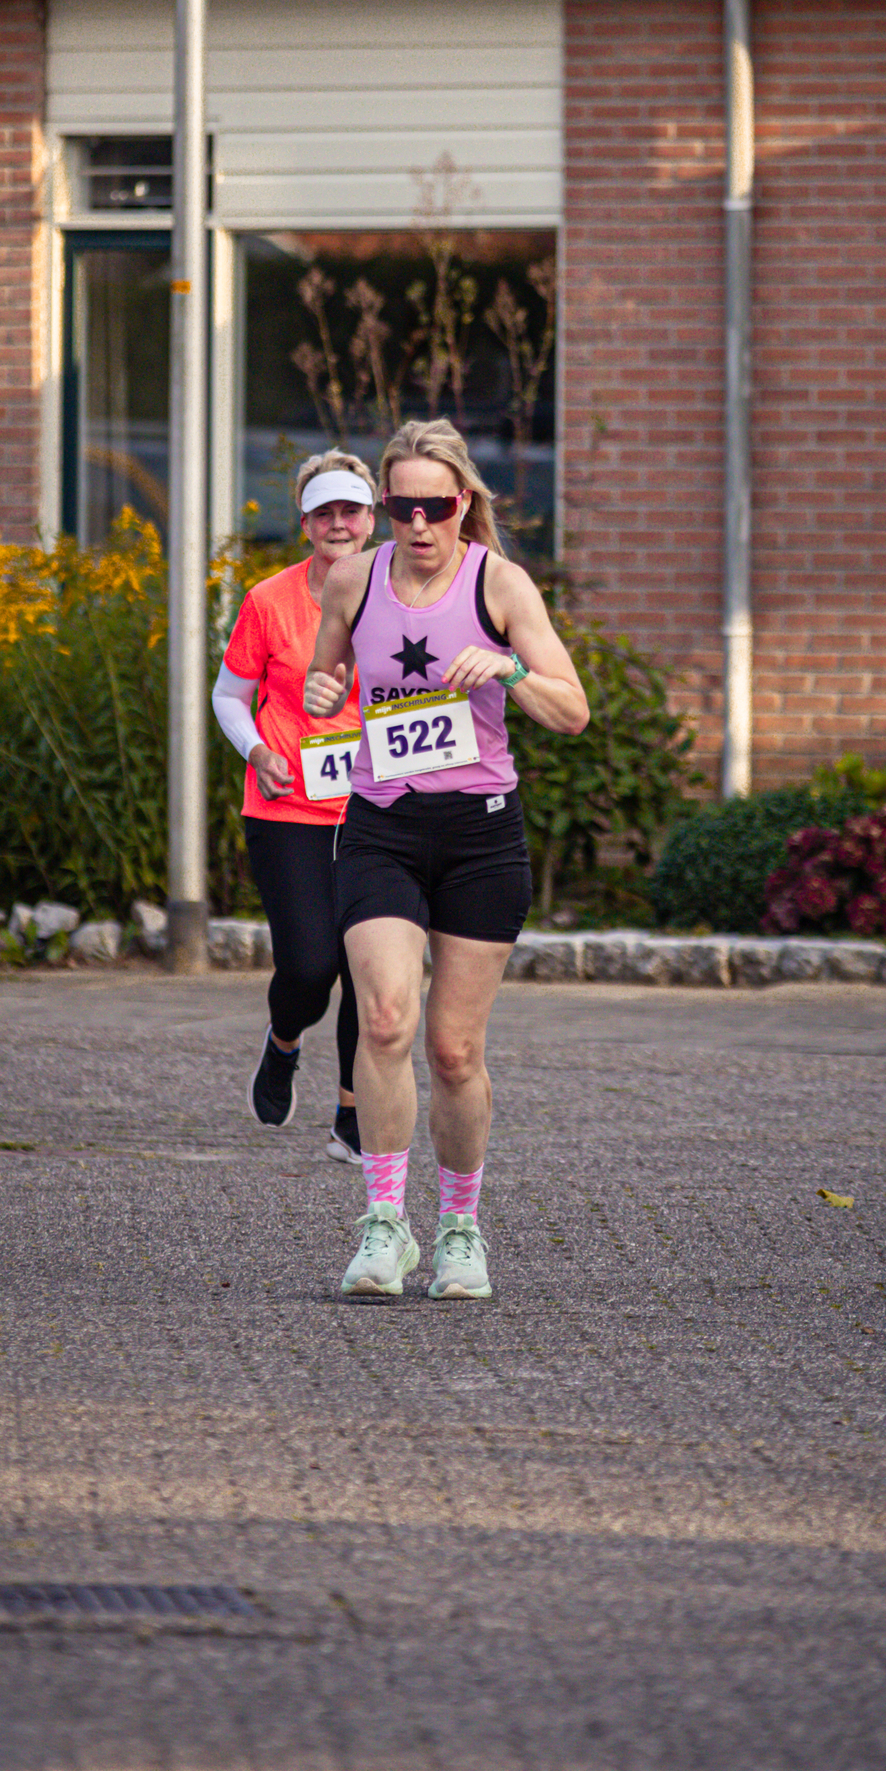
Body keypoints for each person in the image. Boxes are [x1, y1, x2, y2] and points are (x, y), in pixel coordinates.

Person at [304, 416, 589, 1300]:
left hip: (479, 836)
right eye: (401, 506)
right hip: (383, 825)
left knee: (454, 1050)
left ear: (464, 504)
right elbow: (328, 684)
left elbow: (573, 710)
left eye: (435, 507)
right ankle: (385, 1227)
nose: (418, 525)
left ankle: (461, 1229)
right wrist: (324, 691)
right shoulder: (353, 579)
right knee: (384, 1019)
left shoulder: (499, 585)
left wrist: (504, 670)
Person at [213, 451, 377, 1158]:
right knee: (311, 966)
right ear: (305, 522)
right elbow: (228, 696)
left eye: (352, 511)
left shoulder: (404, 596)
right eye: (324, 513)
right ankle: (283, 1042)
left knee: (372, 967)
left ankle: (352, 1113)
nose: (338, 525)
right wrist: (256, 751)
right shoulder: (269, 600)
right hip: (288, 810)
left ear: (372, 518)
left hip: (379, 807)